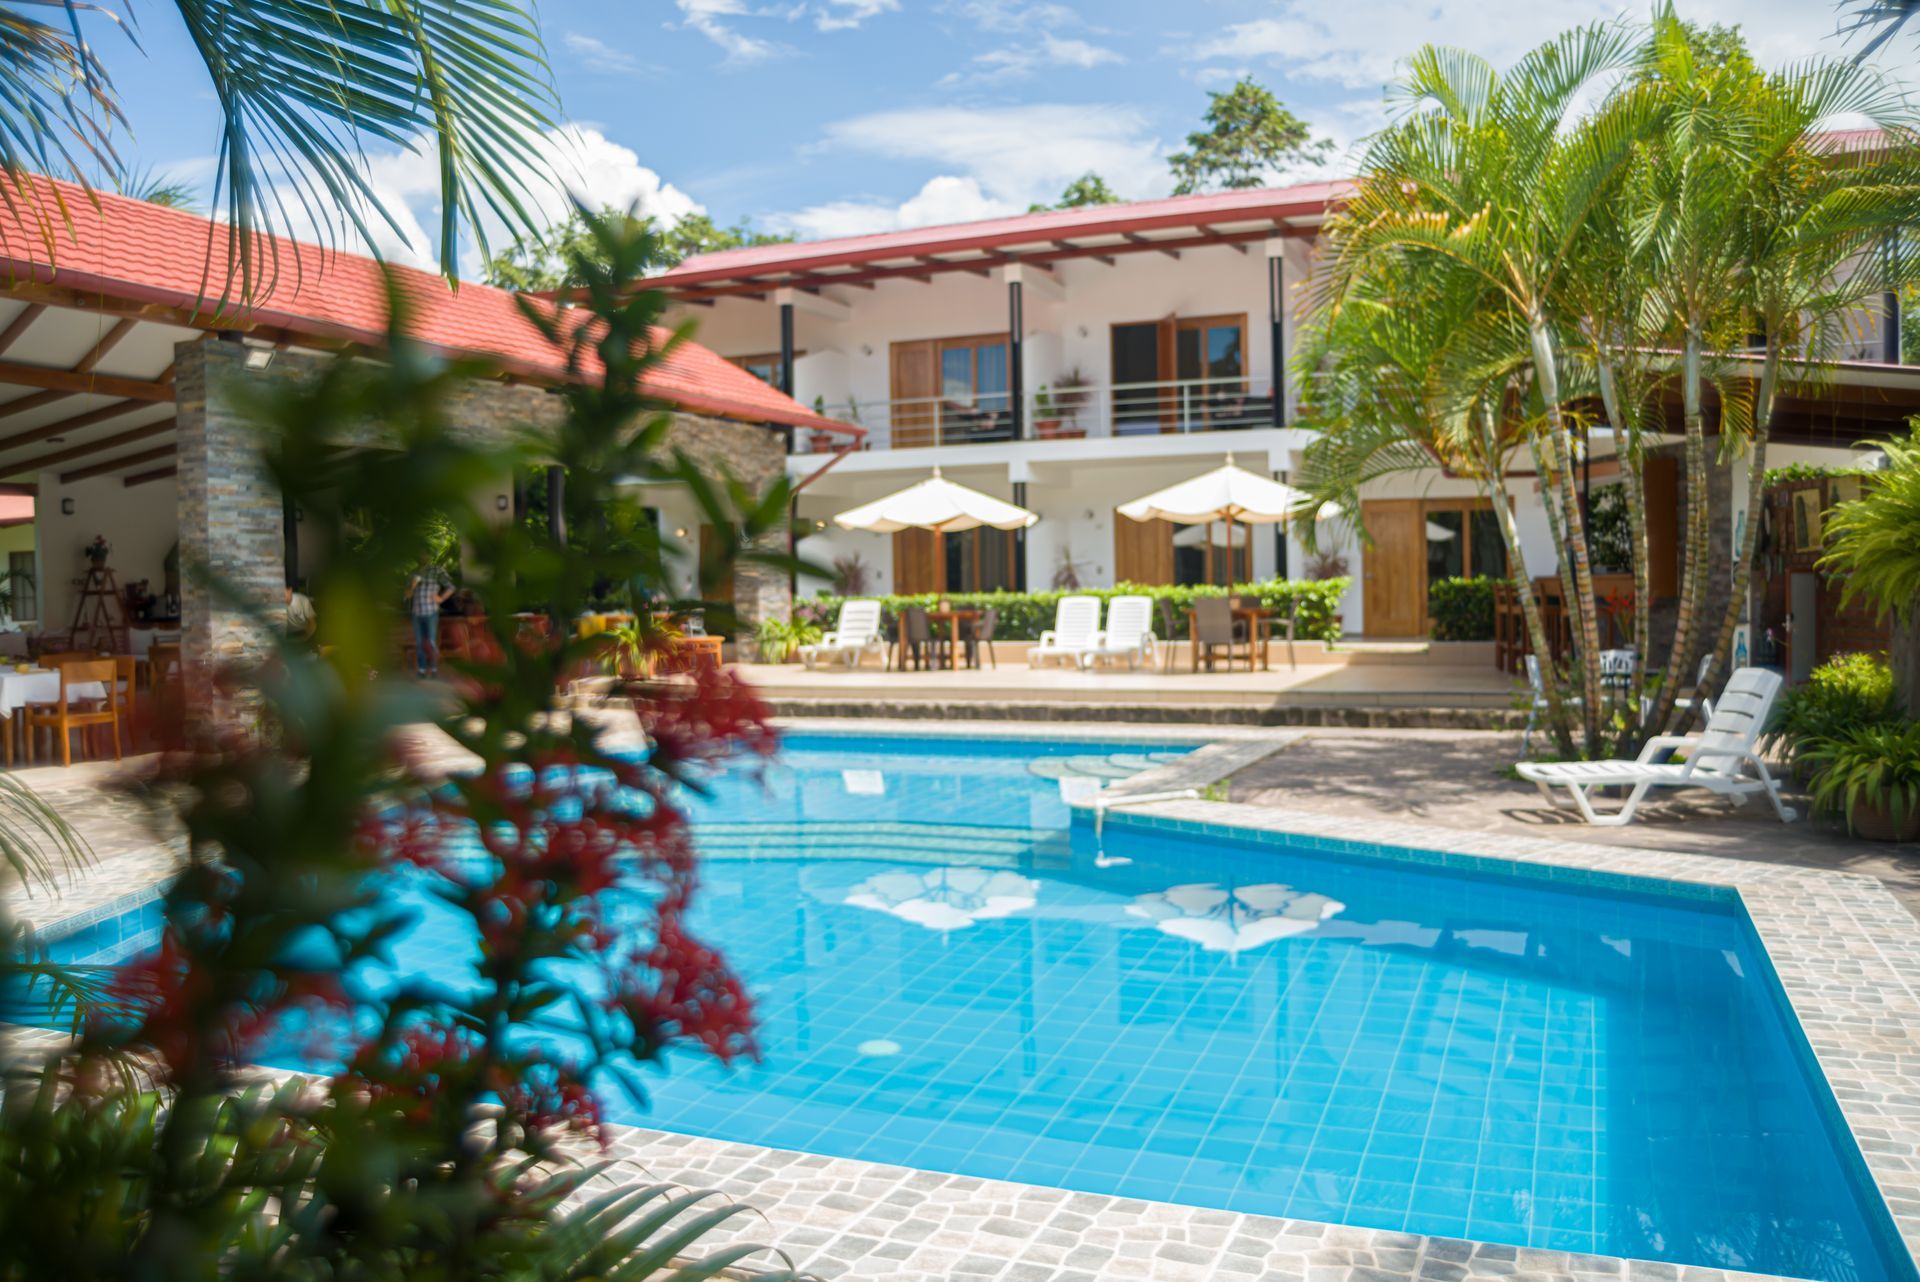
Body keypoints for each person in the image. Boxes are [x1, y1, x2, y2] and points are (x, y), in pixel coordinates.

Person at [405, 556, 454, 677]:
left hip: (431, 612)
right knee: (419, 643)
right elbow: (407, 595)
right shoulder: (413, 573)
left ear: (429, 556)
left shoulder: (437, 570)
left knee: (431, 642)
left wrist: (441, 598)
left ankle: (433, 669)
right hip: (417, 613)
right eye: (420, 553)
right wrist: (413, 585)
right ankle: (421, 670)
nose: (423, 556)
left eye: (425, 553)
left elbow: (451, 587)